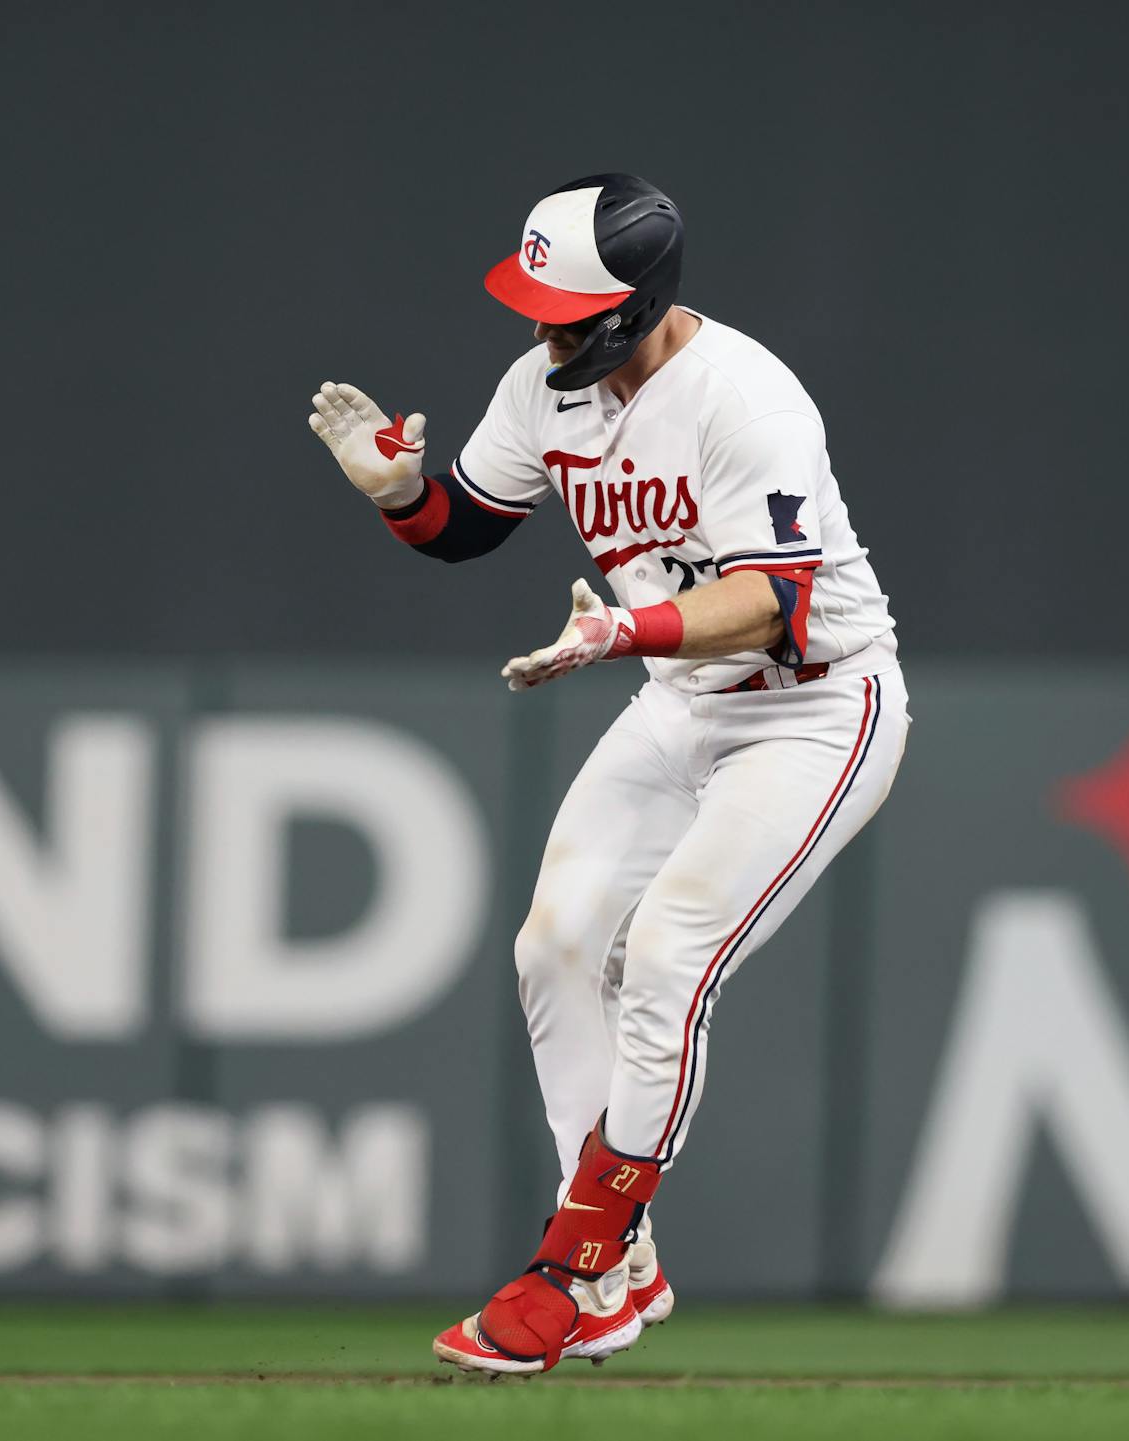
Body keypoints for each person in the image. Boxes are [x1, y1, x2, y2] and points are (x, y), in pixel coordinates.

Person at [306, 173, 906, 1375]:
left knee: (669, 953)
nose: (542, 330)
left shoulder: (746, 398)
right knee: (555, 945)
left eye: (566, 308)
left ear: (634, 307)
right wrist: (400, 499)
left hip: (814, 707)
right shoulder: (544, 386)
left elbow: (770, 604)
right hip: (676, 700)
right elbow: (473, 520)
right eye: (536, 303)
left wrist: (625, 632)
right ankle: (625, 1265)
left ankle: (575, 1257)